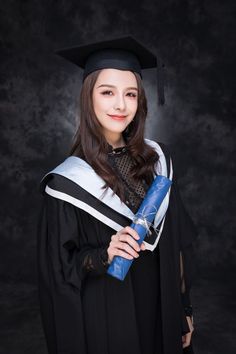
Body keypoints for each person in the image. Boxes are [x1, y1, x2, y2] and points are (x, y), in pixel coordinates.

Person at [37, 36, 198, 354]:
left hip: (161, 310)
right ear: (89, 98)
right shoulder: (67, 182)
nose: (121, 105)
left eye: (131, 94)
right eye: (107, 92)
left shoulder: (158, 160)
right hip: (108, 317)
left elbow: (178, 242)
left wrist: (184, 309)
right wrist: (104, 255)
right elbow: (59, 272)